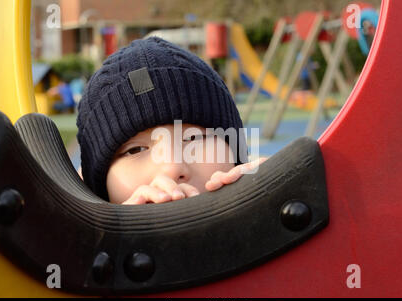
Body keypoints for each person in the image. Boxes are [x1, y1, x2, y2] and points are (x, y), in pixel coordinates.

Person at [76, 37, 267, 205]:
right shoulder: (77, 244)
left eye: (194, 138)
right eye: (135, 150)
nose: (172, 168)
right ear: (99, 189)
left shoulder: (273, 218)